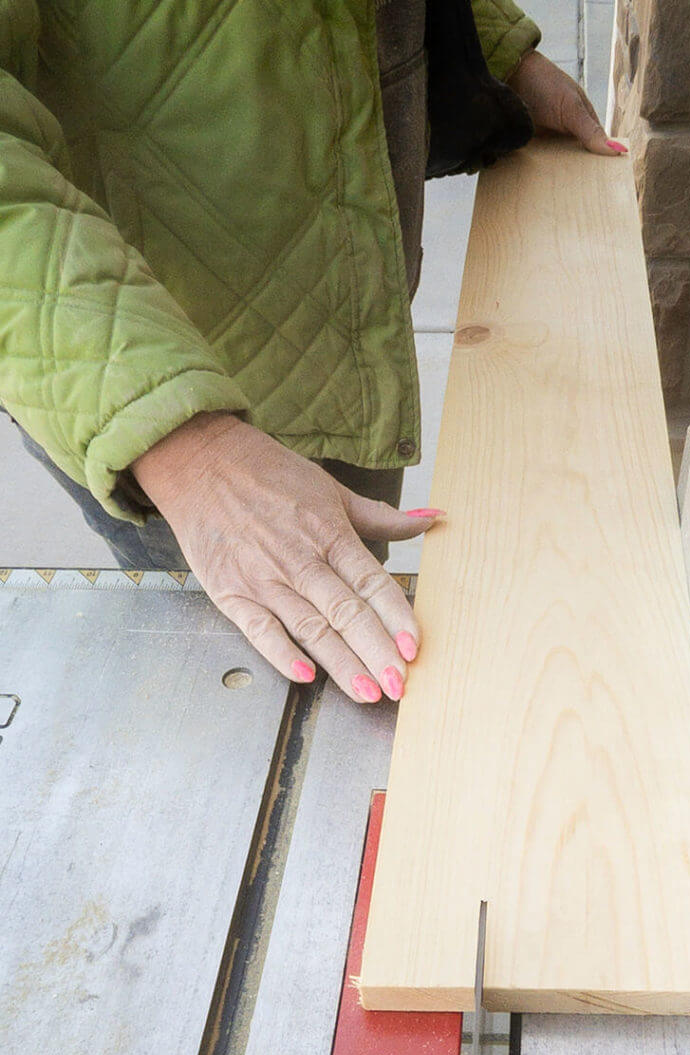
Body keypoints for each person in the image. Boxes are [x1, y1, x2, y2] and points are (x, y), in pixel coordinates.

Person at [0, 1, 625, 703]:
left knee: (359, 644)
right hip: (151, 380)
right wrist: (184, 447)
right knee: (250, 698)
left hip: (341, 316)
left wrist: (486, 46)